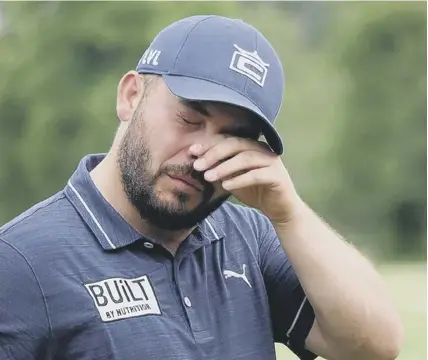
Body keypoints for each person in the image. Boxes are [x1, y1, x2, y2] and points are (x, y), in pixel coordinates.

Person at [0, 15, 403, 360]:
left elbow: (374, 346)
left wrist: (288, 212)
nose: (201, 153)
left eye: (233, 137)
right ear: (130, 96)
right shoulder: (20, 262)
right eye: (190, 118)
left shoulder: (252, 237)